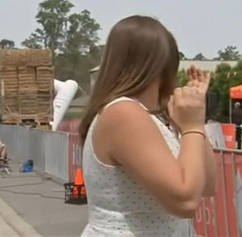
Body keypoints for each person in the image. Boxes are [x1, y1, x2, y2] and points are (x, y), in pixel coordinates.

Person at [77, 15, 217, 236]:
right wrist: (192, 128)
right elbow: (185, 202)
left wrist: (194, 122)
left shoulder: (147, 116)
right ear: (164, 66)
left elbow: (207, 186)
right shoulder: (123, 112)